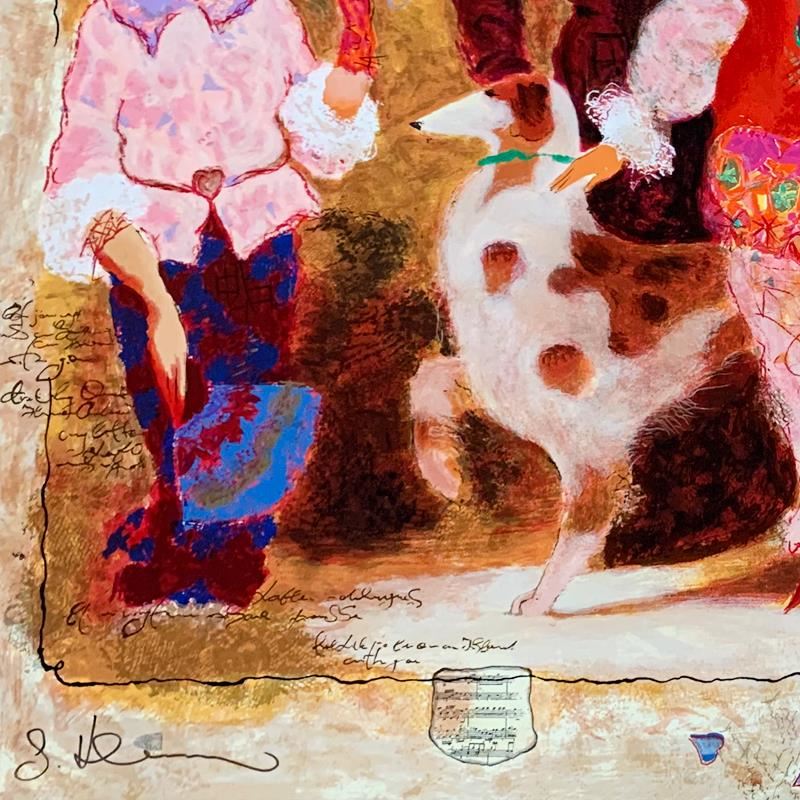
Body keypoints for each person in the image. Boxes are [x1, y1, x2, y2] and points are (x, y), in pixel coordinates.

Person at [38, 0, 380, 608]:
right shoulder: (111, 24)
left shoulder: (268, 14)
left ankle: (229, 558)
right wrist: (157, 303)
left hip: (258, 235)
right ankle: (177, 540)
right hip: (151, 246)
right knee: (166, 400)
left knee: (250, 397)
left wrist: (352, 63)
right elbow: (83, 166)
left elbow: (317, 135)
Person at [550, 0, 800, 608]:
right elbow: (678, 62)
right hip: (763, 185)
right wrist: (621, 143)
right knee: (788, 367)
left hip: (761, 180)